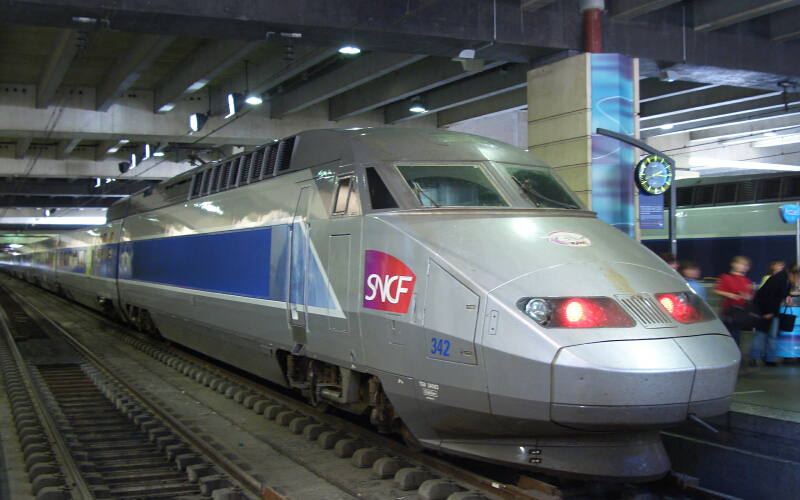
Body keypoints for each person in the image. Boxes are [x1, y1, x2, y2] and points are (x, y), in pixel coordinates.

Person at [749, 263, 798, 367]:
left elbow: (782, 292)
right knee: (760, 334)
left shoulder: (786, 280)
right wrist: (767, 312)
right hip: (764, 309)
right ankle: (754, 358)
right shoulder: (778, 278)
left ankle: (769, 359)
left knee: (772, 335)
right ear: (793, 274)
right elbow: (768, 295)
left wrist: (787, 296)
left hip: (773, 310)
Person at [712, 256, 753, 345]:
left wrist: (747, 297)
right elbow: (715, 290)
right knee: (730, 335)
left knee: (737, 335)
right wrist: (730, 295)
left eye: (746, 265)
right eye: (740, 263)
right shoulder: (725, 277)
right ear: (733, 264)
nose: (743, 266)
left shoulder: (748, 281)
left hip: (741, 312)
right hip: (728, 311)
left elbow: (751, 296)